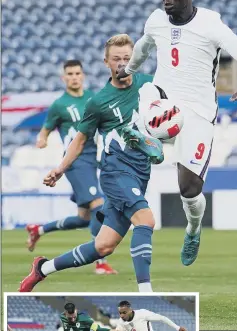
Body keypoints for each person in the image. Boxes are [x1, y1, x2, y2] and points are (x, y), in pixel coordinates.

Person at [117, 0, 237, 266]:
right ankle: (147, 140)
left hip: (199, 111)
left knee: (189, 189)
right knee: (146, 92)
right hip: (164, 99)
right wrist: (128, 71)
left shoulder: (211, 24)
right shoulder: (156, 20)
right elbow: (144, 46)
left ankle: (193, 229)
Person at [19, 34, 163, 293]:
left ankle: (42, 268)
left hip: (140, 173)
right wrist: (60, 169)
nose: (122, 64)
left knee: (103, 246)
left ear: (136, 60)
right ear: (106, 62)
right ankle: (146, 294)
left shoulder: (150, 86)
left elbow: (166, 114)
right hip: (116, 173)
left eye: (127, 59)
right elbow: (80, 139)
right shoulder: (98, 102)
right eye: (117, 59)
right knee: (146, 220)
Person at [26, 59, 116, 275]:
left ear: (83, 75)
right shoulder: (59, 105)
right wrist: (42, 139)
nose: (74, 77)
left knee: (84, 218)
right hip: (75, 162)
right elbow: (46, 128)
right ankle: (100, 263)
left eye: (77, 73)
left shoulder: (92, 99)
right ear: (63, 78)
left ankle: (38, 229)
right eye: (70, 74)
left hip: (92, 159)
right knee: (98, 205)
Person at [115, 300, 187, 331]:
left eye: (124, 312)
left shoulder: (142, 313)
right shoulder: (121, 321)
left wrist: (177, 328)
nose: (121, 315)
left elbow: (162, 318)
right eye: (120, 313)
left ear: (130, 310)